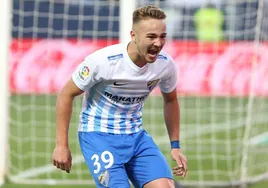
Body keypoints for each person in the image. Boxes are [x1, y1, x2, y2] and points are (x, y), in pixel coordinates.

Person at [52, 5, 187, 188]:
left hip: (136, 136)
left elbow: (170, 99)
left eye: (162, 36)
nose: (158, 43)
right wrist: (61, 145)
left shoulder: (165, 65)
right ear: (134, 36)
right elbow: (66, 95)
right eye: (151, 36)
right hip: (98, 136)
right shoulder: (103, 61)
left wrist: (175, 145)